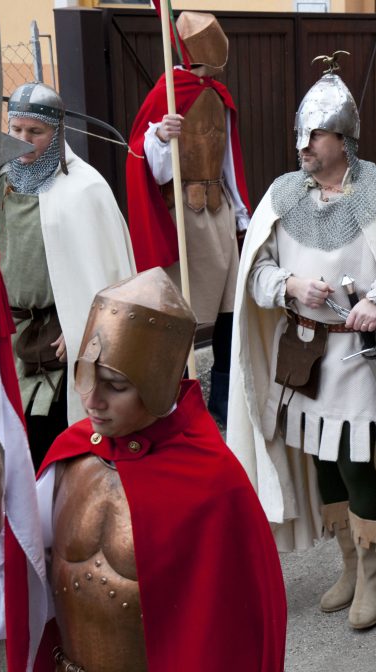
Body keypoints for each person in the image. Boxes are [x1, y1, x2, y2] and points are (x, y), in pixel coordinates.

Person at [0, 267, 286, 672]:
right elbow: (17, 602)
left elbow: (239, 641)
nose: (92, 400)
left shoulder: (214, 484)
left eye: (115, 385)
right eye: (86, 376)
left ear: (159, 384)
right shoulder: (71, 455)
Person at [227, 65, 376, 631]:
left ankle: (372, 572)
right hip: (303, 356)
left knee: (355, 460)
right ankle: (348, 562)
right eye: (301, 135)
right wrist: (289, 286)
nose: (303, 146)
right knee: (322, 462)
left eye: (313, 135)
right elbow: (257, 272)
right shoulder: (283, 196)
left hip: (355, 358)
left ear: (343, 138)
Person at [0, 82, 136, 469]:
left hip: (58, 342)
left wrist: (87, 326)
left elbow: (111, 276)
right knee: (0, 443)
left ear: (56, 133)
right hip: (5, 335)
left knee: (53, 446)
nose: (23, 141)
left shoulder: (85, 189)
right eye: (16, 130)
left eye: (34, 132)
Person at [125, 11, 251, 425]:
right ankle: (172, 404)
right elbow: (148, 161)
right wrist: (161, 136)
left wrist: (241, 214)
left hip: (218, 215)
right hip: (184, 219)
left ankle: (223, 406)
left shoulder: (219, 94)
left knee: (229, 312)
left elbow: (229, 160)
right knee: (177, 318)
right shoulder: (168, 90)